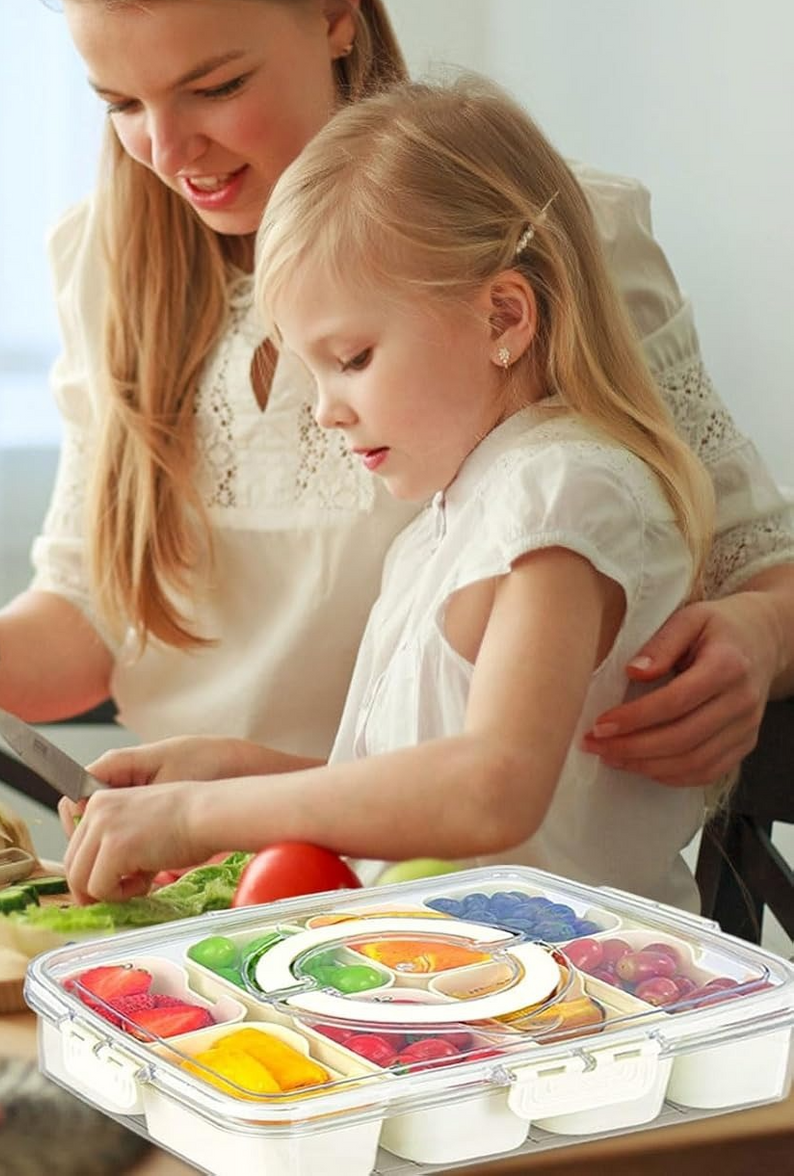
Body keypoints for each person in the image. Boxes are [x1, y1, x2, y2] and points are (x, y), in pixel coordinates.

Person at [0, 0, 794, 793]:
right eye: (118, 104)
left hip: (442, 889)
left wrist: (755, 633)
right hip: (200, 871)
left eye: (212, 86)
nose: (164, 151)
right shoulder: (101, 261)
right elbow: (95, 612)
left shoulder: (542, 233)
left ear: (336, 13)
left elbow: (758, 558)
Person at [60, 75, 714, 909]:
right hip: (459, 987)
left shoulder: (561, 497)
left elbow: (491, 790)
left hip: (571, 1003)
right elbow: (416, 800)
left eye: (353, 358)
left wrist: (200, 812)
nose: (327, 410)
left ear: (503, 318)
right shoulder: (455, 518)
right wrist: (231, 769)